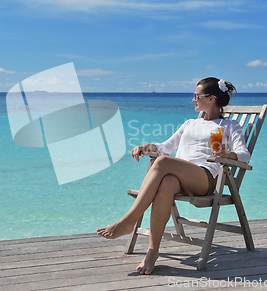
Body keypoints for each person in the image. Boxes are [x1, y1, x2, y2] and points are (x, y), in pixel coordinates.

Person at [96, 77, 250, 275]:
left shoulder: (229, 126)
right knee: (166, 182)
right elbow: (165, 148)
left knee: (162, 162)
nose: (193, 100)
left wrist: (227, 154)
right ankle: (152, 252)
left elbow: (244, 155)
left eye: (197, 96)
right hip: (179, 178)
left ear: (211, 99)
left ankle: (128, 220)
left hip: (204, 178)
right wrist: (147, 147)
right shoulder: (189, 123)